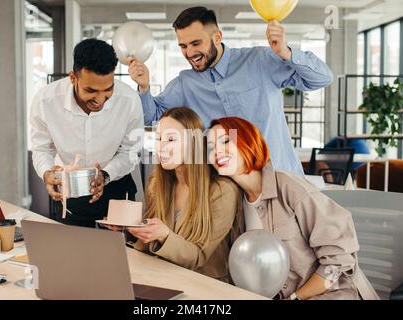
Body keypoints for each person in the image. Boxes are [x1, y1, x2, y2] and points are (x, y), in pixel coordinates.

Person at [128, 6, 333, 175]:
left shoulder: (259, 61)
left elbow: (321, 78)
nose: (189, 53)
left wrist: (284, 52)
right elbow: (151, 117)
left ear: (217, 37)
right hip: (228, 188)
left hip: (279, 178)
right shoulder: (185, 83)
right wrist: (144, 87)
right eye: (183, 46)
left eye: (196, 43)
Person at [207, 116, 379, 300]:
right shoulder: (233, 202)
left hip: (335, 293)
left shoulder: (289, 186)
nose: (217, 151)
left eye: (225, 141)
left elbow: (339, 260)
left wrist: (296, 297)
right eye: (210, 147)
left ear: (248, 142)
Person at [115, 107, 243, 283]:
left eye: (171, 139)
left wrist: (164, 235)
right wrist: (128, 229)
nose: (161, 146)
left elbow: (198, 257)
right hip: (161, 278)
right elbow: (151, 242)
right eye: (158, 138)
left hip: (205, 288)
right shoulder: (156, 183)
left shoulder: (222, 192)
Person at [30, 39, 144, 228]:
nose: (100, 99)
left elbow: (131, 152)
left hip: (116, 187)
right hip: (70, 191)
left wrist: (105, 175)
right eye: (91, 90)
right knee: (74, 254)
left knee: (124, 255)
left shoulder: (129, 100)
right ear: (73, 78)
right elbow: (41, 149)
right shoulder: (45, 101)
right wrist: (47, 173)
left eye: (108, 89)